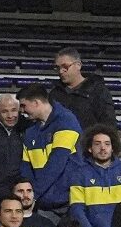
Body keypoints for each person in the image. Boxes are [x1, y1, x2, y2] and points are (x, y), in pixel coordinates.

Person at [17, 84, 80, 215]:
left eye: (23, 106)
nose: (21, 111)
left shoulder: (66, 121)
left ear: (35, 103)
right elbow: (26, 169)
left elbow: (57, 162)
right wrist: (30, 194)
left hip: (69, 202)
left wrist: (35, 194)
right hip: (43, 203)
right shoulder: (30, 132)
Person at [50, 48, 117, 135]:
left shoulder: (98, 91)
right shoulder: (54, 94)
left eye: (65, 66)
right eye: (57, 68)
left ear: (78, 65)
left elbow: (108, 124)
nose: (61, 71)